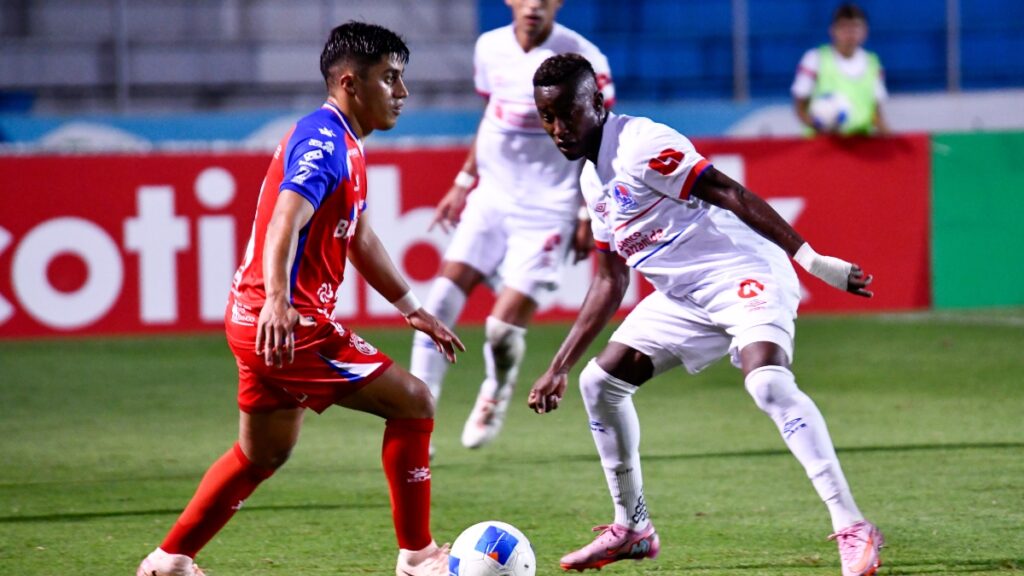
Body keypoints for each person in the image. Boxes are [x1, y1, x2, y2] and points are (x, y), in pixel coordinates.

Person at [528, 53, 884, 576]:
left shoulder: (642, 144)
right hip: (681, 299)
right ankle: (633, 527)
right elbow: (610, 280)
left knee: (766, 383)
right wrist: (557, 365)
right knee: (597, 384)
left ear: (598, 104)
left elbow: (730, 192)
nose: (558, 129)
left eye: (567, 114)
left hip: (743, 273)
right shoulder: (589, 182)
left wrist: (812, 261)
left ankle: (852, 524)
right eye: (547, 117)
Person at [135, 22, 464, 576]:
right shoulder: (324, 141)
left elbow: (357, 236)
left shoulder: (346, 142)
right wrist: (279, 302)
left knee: (262, 453)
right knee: (414, 401)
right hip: (290, 324)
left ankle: (169, 561)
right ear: (348, 83)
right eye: (390, 78)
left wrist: (412, 308)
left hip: (256, 322)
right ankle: (419, 556)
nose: (402, 93)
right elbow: (286, 217)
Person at [409, 0, 615, 452]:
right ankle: (418, 416)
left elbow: (599, 132)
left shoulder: (585, 56)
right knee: (439, 299)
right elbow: (492, 119)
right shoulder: (488, 48)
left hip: (549, 206)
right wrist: (465, 180)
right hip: (493, 197)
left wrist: (587, 211)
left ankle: (496, 391)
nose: (534, 5)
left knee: (501, 330)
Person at [792, 3, 890, 136]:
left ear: (865, 31)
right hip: (822, 145)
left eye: (855, 27)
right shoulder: (815, 59)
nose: (850, 33)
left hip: (859, 145)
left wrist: (890, 136)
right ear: (832, 30)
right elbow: (800, 108)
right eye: (844, 27)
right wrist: (820, 124)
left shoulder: (873, 63)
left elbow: (876, 114)